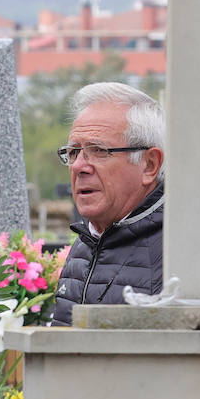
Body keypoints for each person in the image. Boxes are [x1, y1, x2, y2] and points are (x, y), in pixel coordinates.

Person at [53, 83, 165, 326]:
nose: (79, 166)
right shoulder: (87, 241)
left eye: (99, 150)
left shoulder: (176, 252)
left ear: (149, 165)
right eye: (73, 152)